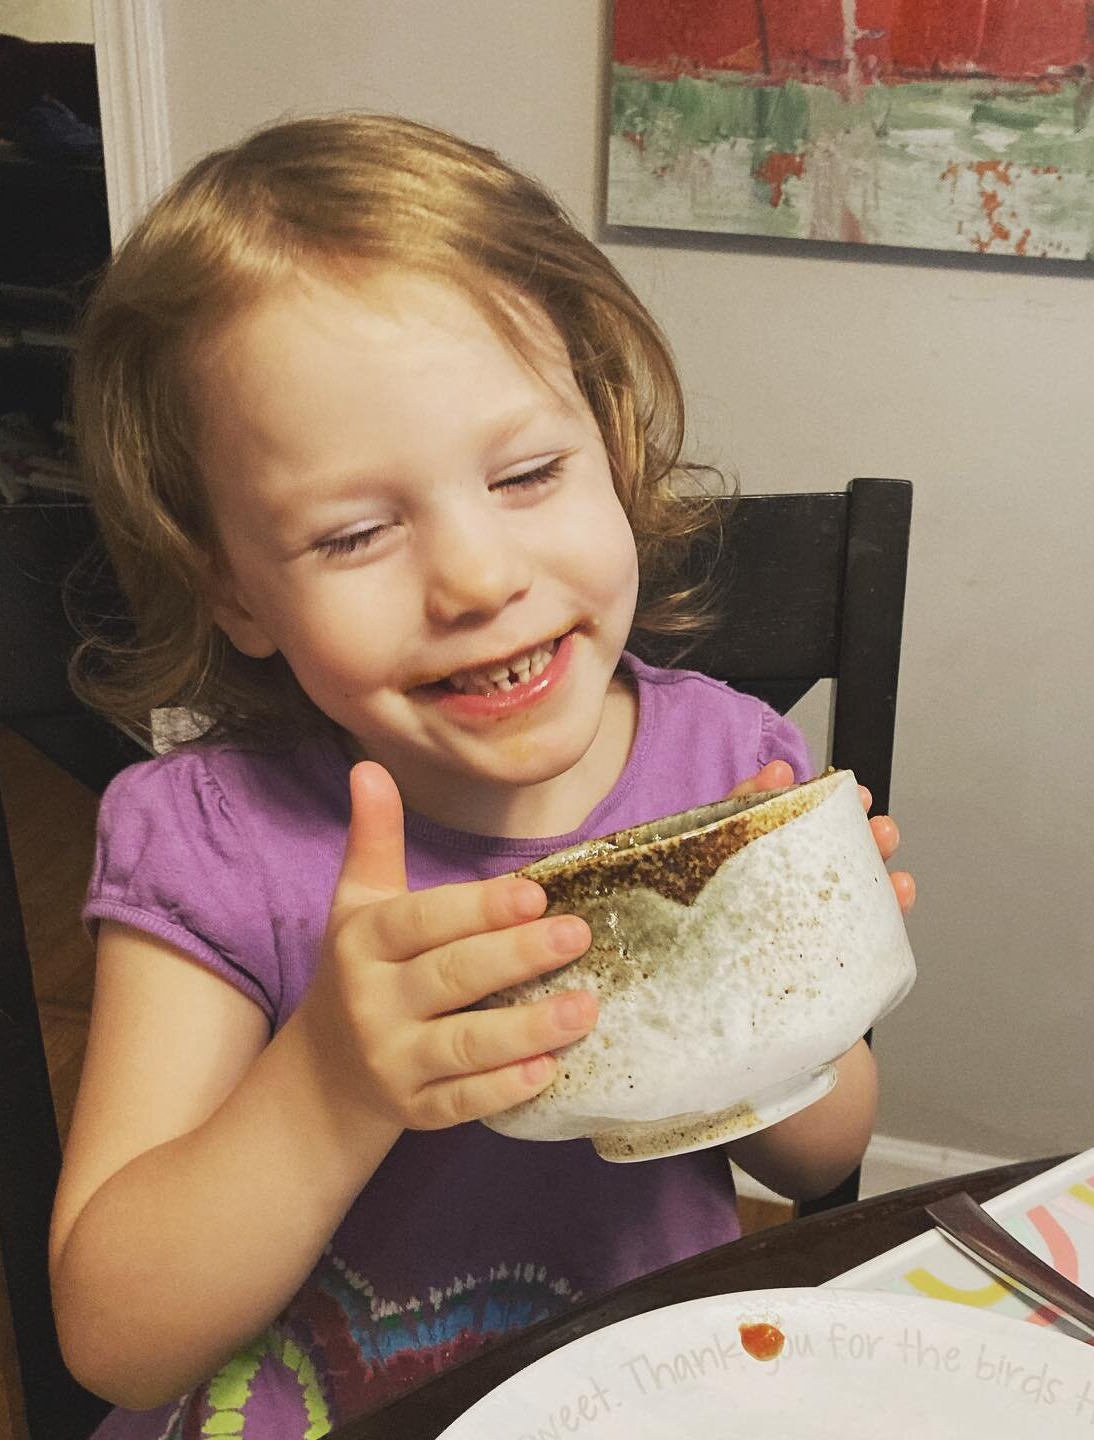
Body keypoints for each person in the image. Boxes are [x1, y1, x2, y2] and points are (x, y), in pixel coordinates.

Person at [50, 113, 915, 1438]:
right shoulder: (214, 842)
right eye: (353, 532)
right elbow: (114, 1342)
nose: (476, 577)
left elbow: (820, 1151)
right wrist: (332, 1080)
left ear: (614, 447)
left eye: (526, 473)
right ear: (235, 585)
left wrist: (802, 960)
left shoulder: (731, 766)